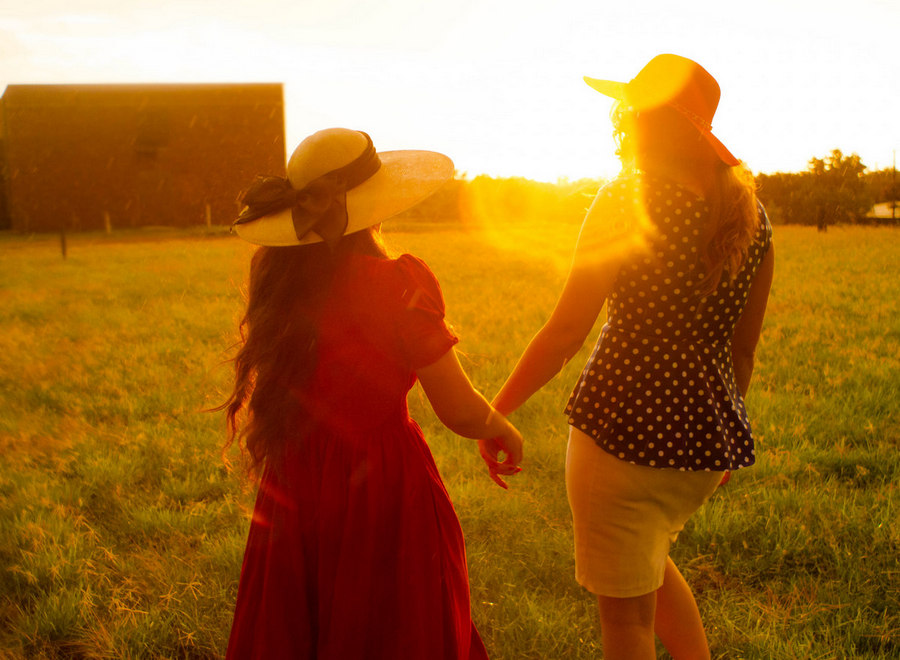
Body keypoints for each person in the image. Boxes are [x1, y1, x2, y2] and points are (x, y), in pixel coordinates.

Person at [478, 55, 774, 659]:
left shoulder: (626, 199)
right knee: (651, 566)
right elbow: (742, 351)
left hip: (621, 436)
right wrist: (721, 426)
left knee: (627, 623)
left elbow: (565, 333)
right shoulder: (754, 216)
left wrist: (493, 414)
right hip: (700, 444)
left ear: (643, 120)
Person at [219, 128, 523, 659]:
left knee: (299, 625)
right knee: (391, 624)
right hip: (381, 480)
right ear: (374, 207)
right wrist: (500, 425)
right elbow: (457, 408)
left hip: (296, 475)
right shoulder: (396, 282)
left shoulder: (282, 280)